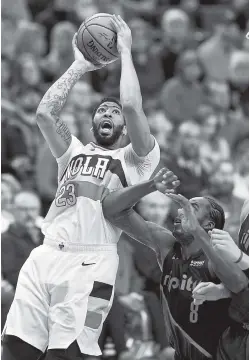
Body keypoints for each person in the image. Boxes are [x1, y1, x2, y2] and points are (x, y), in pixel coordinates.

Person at [2, 15, 160, 360]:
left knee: (69, 353)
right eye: (102, 109)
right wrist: (78, 66)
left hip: (92, 259)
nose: (108, 112)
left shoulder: (136, 158)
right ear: (92, 123)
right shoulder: (73, 152)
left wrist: (126, 52)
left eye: (113, 112)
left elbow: (132, 105)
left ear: (124, 126)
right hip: (45, 254)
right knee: (14, 348)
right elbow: (45, 114)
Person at [102, 169, 238, 359]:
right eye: (181, 206)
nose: (180, 211)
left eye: (191, 208)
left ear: (208, 225)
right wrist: (150, 186)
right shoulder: (166, 245)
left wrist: (223, 291)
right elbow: (111, 209)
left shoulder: (220, 257)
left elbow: (242, 287)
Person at [191, 199, 249, 360]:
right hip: (237, 333)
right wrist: (224, 290)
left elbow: (243, 261)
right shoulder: (247, 207)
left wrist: (239, 257)